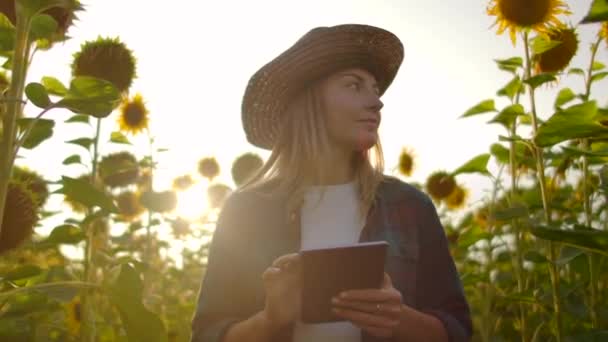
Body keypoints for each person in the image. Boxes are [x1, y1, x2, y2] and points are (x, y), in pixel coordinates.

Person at [190, 24, 472, 342]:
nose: (377, 102)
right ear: (308, 100)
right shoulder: (246, 210)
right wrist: (269, 321)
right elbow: (206, 334)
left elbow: (458, 329)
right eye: (354, 86)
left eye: (375, 89)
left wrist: (400, 320)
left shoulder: (410, 206)